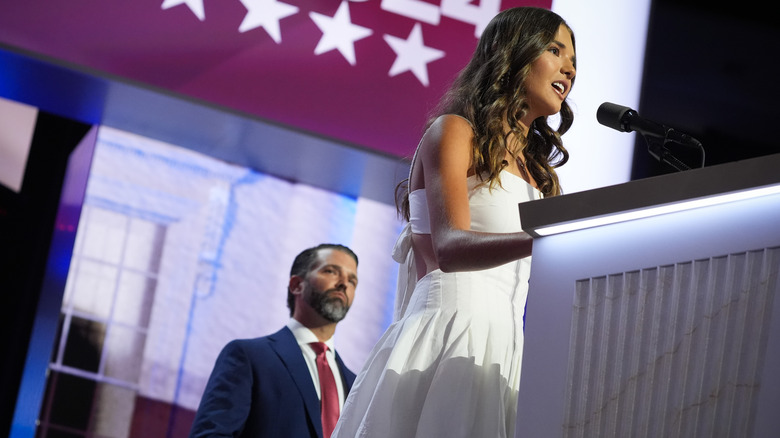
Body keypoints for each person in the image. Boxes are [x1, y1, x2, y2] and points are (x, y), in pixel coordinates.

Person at [332, 7, 576, 438]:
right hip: (450, 332)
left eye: (574, 61)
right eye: (556, 51)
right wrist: (549, 237)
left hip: (504, 351)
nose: (569, 68)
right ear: (515, 53)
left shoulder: (539, 173)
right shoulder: (454, 131)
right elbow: (449, 247)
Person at [189, 243, 360, 438]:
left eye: (352, 280)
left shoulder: (357, 385)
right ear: (296, 285)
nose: (343, 284)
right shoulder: (250, 357)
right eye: (331, 271)